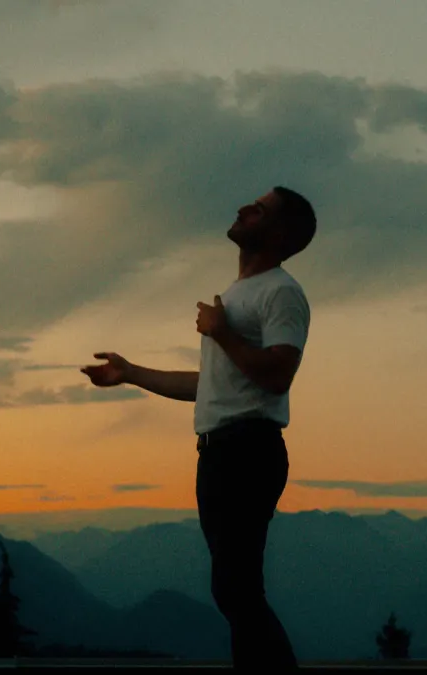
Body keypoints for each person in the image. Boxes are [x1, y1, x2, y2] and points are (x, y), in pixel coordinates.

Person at [80, 186, 315, 668]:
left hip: (247, 451)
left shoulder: (281, 292)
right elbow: (210, 385)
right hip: (223, 451)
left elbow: (278, 374)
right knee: (234, 590)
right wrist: (131, 373)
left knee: (236, 589)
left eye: (258, 210)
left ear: (280, 234)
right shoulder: (240, 293)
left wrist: (222, 332)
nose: (243, 208)